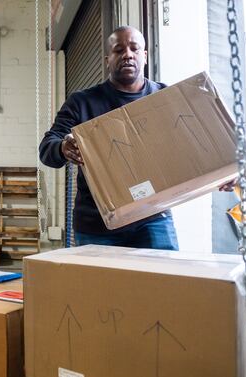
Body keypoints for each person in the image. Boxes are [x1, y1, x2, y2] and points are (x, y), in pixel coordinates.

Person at [39, 26, 234, 250]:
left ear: (145, 56)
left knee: (164, 282)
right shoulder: (82, 102)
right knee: (98, 286)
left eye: (134, 48)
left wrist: (224, 172)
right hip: (98, 225)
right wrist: (63, 147)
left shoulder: (166, 99)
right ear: (107, 59)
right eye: (118, 50)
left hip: (153, 219)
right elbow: (47, 148)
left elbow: (199, 145)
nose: (127, 54)